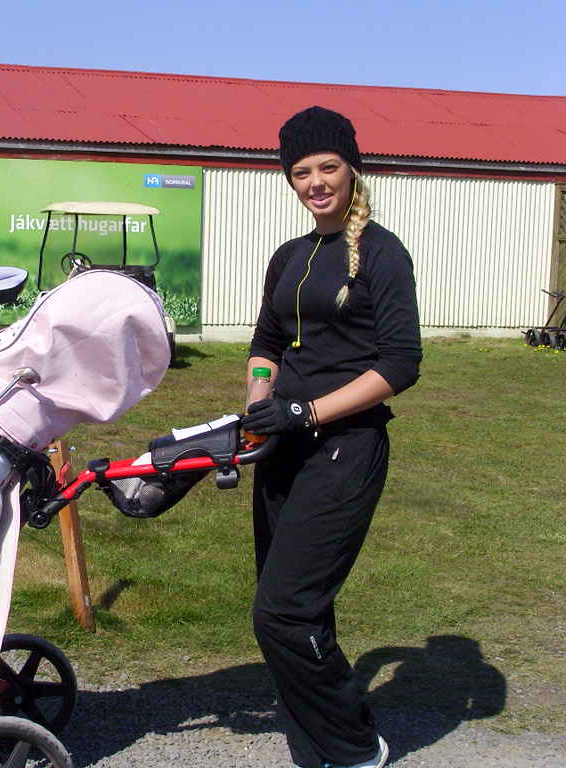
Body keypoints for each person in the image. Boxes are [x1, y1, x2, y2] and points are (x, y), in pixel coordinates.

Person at [240, 106, 422, 768]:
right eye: (301, 172)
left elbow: (400, 364)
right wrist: (259, 406)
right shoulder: (290, 256)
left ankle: (354, 748)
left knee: (283, 612)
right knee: (298, 609)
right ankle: (312, 749)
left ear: (351, 168)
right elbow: (265, 343)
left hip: (345, 450)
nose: (315, 182)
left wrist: (308, 412)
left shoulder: (381, 252)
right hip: (283, 449)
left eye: (327, 167)